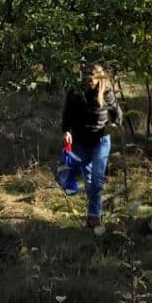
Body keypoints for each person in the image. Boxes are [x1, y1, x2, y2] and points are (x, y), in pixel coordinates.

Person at [61, 63, 122, 230]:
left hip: (101, 141)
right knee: (89, 183)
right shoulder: (75, 92)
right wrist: (66, 131)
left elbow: (118, 115)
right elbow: (67, 115)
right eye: (87, 76)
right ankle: (94, 215)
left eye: (93, 77)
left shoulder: (107, 92)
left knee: (96, 179)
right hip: (80, 142)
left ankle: (94, 217)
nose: (90, 80)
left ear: (99, 78)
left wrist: (114, 126)